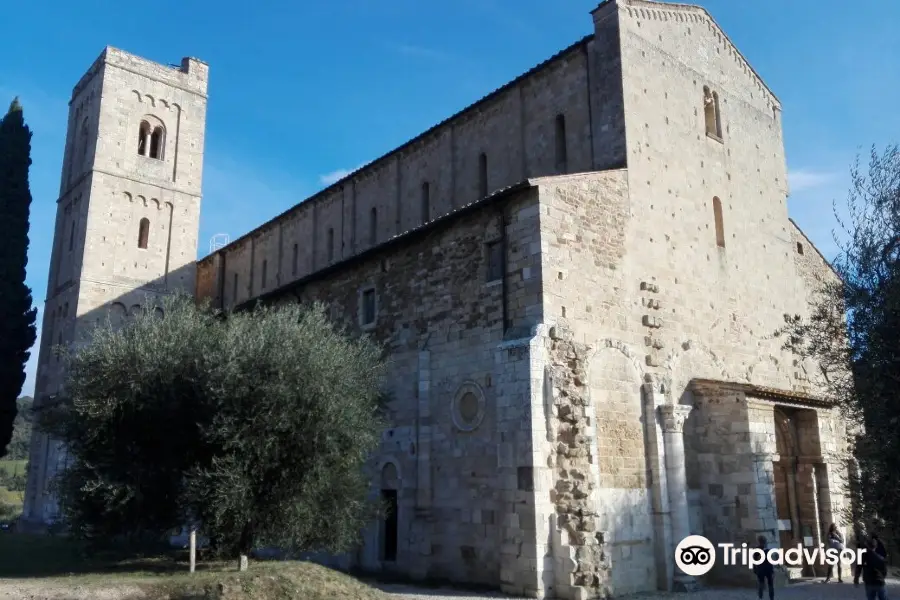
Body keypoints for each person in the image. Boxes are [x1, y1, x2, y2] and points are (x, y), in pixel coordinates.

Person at [753, 535, 775, 600]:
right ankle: (771, 598)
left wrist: (755, 569)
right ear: (765, 542)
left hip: (761, 569)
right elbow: (771, 561)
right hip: (768, 569)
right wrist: (772, 570)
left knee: (761, 584)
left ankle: (760, 597)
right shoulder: (768, 550)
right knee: (770, 584)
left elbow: (754, 561)